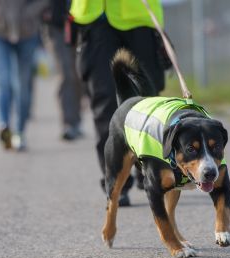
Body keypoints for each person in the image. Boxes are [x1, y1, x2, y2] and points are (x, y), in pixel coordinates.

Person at [70, 0, 165, 205]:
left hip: (138, 17)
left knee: (148, 98)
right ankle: (115, 181)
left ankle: (149, 169)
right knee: (104, 102)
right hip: (94, 18)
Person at [0, 0, 48, 150]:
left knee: (23, 86)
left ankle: (19, 132)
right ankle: (3, 126)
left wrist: (28, 13)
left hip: (27, 32)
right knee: (3, 81)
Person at [44, 0, 84, 141]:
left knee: (79, 74)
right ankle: (69, 123)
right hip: (57, 27)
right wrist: (44, 10)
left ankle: (77, 119)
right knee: (66, 75)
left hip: (81, 23)